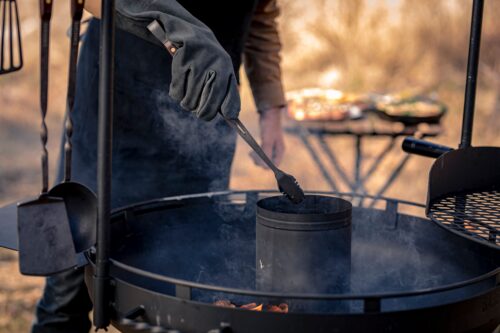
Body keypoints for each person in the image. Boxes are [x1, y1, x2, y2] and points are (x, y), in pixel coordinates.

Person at [31, 0, 287, 332]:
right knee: (71, 281)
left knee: (192, 278)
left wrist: (272, 106)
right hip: (116, 108)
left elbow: (261, 15)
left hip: (204, 115)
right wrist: (175, 24)